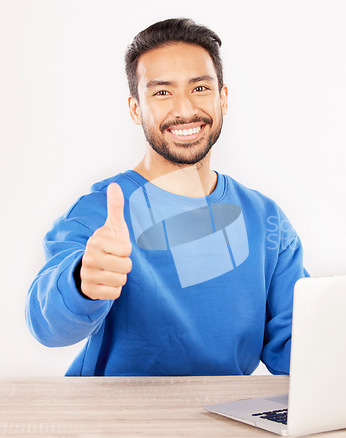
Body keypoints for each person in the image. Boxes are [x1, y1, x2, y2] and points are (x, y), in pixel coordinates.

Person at [26, 18, 308, 376]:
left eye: (200, 88)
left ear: (223, 98)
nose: (185, 109)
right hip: (118, 423)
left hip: (228, 421)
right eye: (162, 92)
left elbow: (297, 344)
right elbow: (46, 326)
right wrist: (82, 280)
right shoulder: (99, 212)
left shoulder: (265, 216)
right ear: (135, 109)